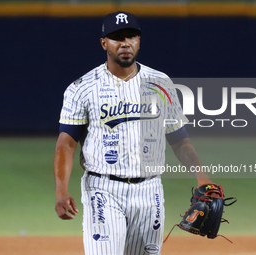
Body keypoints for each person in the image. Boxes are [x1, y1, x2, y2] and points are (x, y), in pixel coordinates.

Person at [54, 11, 215, 255]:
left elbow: (179, 139)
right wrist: (61, 189)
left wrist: (203, 179)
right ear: (104, 43)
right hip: (102, 189)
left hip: (150, 191)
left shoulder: (161, 83)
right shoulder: (83, 88)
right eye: (117, 37)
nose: (125, 43)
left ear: (139, 41)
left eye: (132, 36)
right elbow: (66, 143)